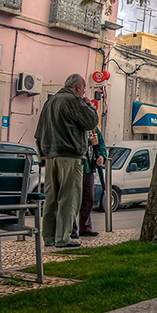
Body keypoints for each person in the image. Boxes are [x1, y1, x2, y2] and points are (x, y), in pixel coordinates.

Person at [35, 74, 100, 248]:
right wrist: (89, 106)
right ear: (78, 87)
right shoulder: (73, 100)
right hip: (70, 156)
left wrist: (42, 153)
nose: (84, 91)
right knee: (68, 198)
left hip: (50, 157)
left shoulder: (50, 102)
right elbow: (91, 121)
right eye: (84, 88)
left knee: (51, 199)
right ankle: (63, 238)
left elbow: (39, 132)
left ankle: (48, 237)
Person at [76, 105, 107, 237]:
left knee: (89, 198)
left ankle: (85, 228)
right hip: (77, 166)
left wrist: (101, 158)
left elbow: (102, 146)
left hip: (88, 167)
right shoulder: (75, 128)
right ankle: (71, 230)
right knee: (73, 199)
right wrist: (89, 142)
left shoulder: (95, 130)